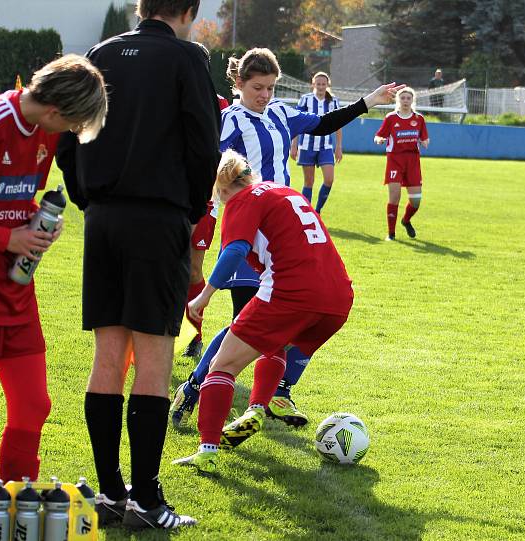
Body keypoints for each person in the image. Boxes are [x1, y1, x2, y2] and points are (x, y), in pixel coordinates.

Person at [169, 47, 402, 434]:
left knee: (285, 317)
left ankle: (272, 392)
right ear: (239, 83)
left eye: (271, 87)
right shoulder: (228, 122)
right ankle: (198, 386)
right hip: (249, 231)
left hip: (287, 233)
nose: (265, 95)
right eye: (258, 87)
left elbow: (323, 124)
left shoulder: (280, 113)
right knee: (245, 321)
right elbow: (202, 166)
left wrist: (367, 102)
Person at [55, 0, 220, 530]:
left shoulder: (100, 53)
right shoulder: (187, 58)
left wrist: (88, 198)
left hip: (104, 219)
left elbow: (66, 136)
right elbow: (204, 146)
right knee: (153, 357)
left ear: (140, 7)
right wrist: (191, 208)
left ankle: (110, 494)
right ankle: (146, 499)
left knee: (108, 354)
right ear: (190, 10)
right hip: (158, 218)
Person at [172, 149, 354, 474]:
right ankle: (256, 409)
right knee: (277, 344)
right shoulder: (284, 191)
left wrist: (204, 297)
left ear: (220, 186)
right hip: (337, 296)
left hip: (292, 292)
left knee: (221, 366)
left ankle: (207, 451)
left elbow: (235, 250)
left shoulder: (242, 200)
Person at [0, 55, 107, 482]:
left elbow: (10, 199)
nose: (70, 133)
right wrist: (8, 238)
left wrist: (35, 224)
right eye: (72, 124)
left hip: (15, 290)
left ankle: (16, 502)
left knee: (34, 405)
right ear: (56, 110)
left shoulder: (43, 134)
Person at [182, 93, 233, 359]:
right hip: (170, 195)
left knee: (192, 270)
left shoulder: (219, 103)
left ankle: (194, 336)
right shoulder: (168, 94)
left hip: (205, 200)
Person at [374, 87, 429, 241]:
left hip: (413, 162)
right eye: (402, 98)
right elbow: (379, 135)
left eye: (408, 98)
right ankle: (391, 234)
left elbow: (425, 138)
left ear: (412, 100)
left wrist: (425, 141)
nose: (405, 101)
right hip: (395, 161)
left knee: (416, 201)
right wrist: (379, 139)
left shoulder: (419, 119)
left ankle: (406, 220)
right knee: (394, 196)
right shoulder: (391, 118)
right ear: (398, 100)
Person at [290, 72, 343, 214]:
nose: (320, 86)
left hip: (326, 147)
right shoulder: (305, 99)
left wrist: (338, 146)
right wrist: (293, 145)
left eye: (323, 84)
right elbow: (297, 122)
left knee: (329, 179)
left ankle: (317, 211)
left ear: (327, 85)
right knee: (309, 182)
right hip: (307, 146)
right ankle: (306, 213)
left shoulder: (334, 101)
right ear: (313, 84)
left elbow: (338, 125)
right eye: (318, 84)